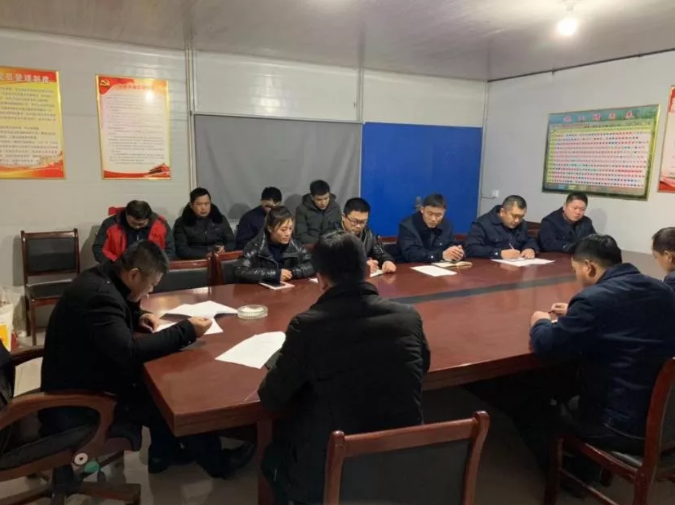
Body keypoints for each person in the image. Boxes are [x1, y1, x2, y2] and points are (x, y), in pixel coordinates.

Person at [40, 241, 254, 477]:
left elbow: (117, 310)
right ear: (134, 274)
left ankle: (163, 454)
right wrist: (187, 330)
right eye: (151, 284)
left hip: (84, 371)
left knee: (164, 381)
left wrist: (139, 315)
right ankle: (219, 464)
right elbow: (130, 351)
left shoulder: (103, 277)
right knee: (175, 395)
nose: (151, 291)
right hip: (79, 399)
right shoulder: (99, 297)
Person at [258, 231, 430, 504]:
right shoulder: (408, 317)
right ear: (367, 270)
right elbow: (423, 367)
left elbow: (271, 397)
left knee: (272, 456)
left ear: (321, 279)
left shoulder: (307, 326)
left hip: (335, 471)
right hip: (400, 461)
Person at [528, 235, 675, 469]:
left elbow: (548, 346)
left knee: (532, 399)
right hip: (666, 419)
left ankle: (571, 471)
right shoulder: (663, 290)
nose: (576, 276)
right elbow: (628, 319)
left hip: (620, 425)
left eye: (575, 270)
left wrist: (541, 322)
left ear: (589, 267)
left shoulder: (593, 300)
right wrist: (577, 314)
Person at [236, 206, 314, 284]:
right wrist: (275, 275)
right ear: (270, 228)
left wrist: (291, 272)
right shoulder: (256, 246)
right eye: (283, 229)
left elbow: (313, 265)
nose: (288, 233)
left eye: (290, 228)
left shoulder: (295, 245)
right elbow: (240, 271)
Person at [93, 200, 175, 263]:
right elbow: (99, 249)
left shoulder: (161, 225)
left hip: (151, 270)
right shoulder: (110, 224)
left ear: (148, 218)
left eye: (141, 224)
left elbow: (169, 249)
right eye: (133, 223)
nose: (137, 227)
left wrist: (157, 265)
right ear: (126, 214)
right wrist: (116, 265)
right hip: (117, 268)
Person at [464, 195, 538, 259]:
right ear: (502, 212)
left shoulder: (522, 224)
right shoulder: (482, 223)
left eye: (521, 217)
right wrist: (499, 253)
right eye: (514, 216)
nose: (517, 220)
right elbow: (471, 249)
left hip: (515, 266)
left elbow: (529, 240)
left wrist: (530, 249)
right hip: (489, 267)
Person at [396, 193, 464, 263]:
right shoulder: (407, 225)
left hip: (439, 267)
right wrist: (440, 255)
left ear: (444, 212)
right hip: (410, 267)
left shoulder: (446, 225)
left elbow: (452, 244)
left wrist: (457, 253)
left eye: (438, 215)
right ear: (422, 210)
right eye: (430, 214)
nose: (433, 219)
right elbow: (410, 254)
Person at [336, 197, 396, 274]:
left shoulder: (367, 233)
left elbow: (379, 252)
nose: (358, 226)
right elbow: (334, 262)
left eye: (363, 222)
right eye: (354, 221)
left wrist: (387, 261)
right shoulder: (331, 234)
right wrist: (361, 265)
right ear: (343, 217)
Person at [173, 187, 236, 259]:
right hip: (196, 260)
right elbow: (181, 250)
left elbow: (231, 242)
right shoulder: (182, 223)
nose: (203, 208)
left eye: (206, 204)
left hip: (220, 258)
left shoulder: (220, 219)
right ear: (191, 205)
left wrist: (225, 249)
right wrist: (204, 254)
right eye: (199, 204)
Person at [294, 180, 341, 244]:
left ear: (329, 195)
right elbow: (301, 236)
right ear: (312, 197)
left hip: (332, 245)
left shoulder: (335, 207)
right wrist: (321, 243)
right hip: (311, 246)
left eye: (326, 198)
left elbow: (338, 230)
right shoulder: (302, 210)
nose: (323, 203)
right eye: (319, 199)